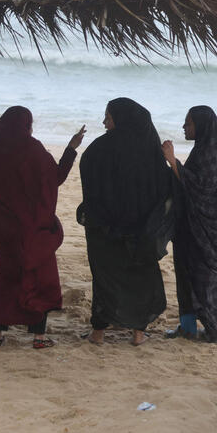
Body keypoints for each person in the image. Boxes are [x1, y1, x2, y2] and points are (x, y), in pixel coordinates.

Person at [0, 107, 86, 350]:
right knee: (37, 274)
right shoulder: (33, 151)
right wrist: (71, 149)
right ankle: (39, 337)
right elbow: (55, 178)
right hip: (32, 224)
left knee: (6, 274)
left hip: (4, 224)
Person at [79, 98, 172, 346]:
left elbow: (88, 175)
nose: (104, 122)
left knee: (105, 278)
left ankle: (98, 332)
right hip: (140, 232)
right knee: (141, 278)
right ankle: (138, 333)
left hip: (105, 230)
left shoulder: (101, 148)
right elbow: (165, 190)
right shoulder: (150, 153)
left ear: (121, 120)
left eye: (108, 118)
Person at [161, 105, 217, 343]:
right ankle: (188, 327)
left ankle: (213, 330)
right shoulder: (204, 149)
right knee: (185, 275)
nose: (184, 127)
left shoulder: (209, 154)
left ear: (201, 126)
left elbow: (202, 188)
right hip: (191, 227)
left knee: (204, 281)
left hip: (208, 230)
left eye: (189, 123)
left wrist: (174, 162)